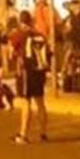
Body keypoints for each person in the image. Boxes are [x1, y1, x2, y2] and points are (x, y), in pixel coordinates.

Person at [8, 11, 49, 145]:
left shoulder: (19, 35)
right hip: (39, 71)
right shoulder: (40, 35)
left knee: (26, 102)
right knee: (40, 102)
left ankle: (23, 134)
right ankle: (43, 133)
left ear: (21, 21)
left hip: (26, 71)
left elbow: (11, 54)